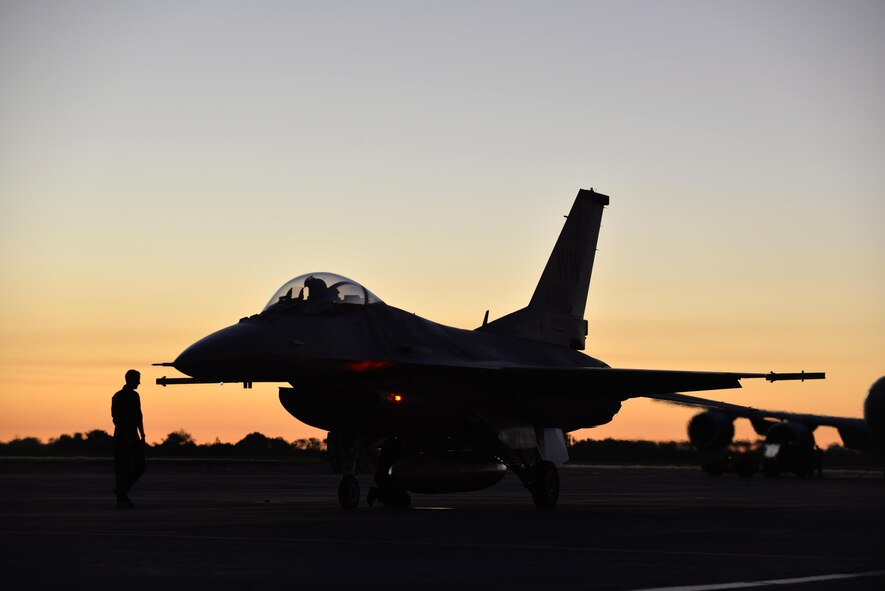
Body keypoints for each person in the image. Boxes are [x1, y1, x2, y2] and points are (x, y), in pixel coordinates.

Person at [112, 369, 146, 508]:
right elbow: (116, 418)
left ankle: (122, 490)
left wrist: (142, 434)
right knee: (122, 467)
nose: (139, 382)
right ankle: (122, 498)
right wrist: (126, 436)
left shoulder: (135, 396)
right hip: (122, 436)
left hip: (133, 435)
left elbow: (139, 416)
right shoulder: (118, 396)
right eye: (137, 379)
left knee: (140, 466)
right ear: (130, 379)